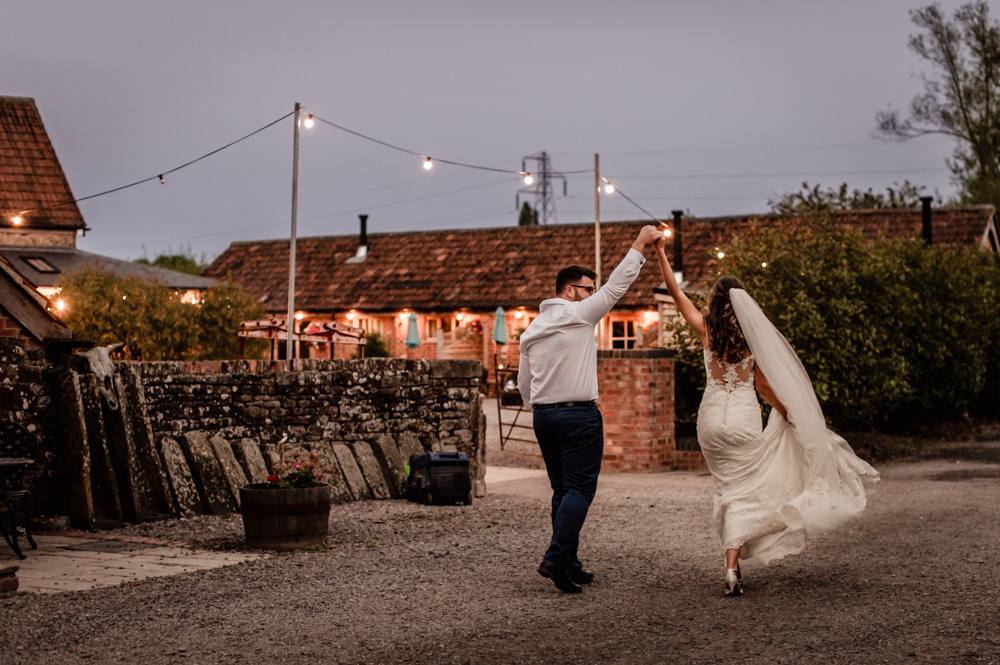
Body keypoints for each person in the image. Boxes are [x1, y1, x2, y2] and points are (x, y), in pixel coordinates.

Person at [652, 234, 879, 596]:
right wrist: (790, 413)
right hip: (742, 421)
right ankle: (730, 567)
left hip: (710, 423)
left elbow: (676, 294)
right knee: (742, 490)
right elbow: (763, 389)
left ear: (714, 301)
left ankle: (734, 565)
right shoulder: (750, 342)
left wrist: (662, 253)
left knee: (727, 487)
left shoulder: (707, 331)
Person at [518, 224, 663, 594]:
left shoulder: (531, 329)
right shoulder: (578, 314)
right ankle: (555, 558)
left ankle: (569, 563)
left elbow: (524, 382)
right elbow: (618, 286)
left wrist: (535, 408)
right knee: (580, 490)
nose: (593, 294)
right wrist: (639, 244)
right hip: (578, 415)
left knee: (561, 491)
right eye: (587, 289)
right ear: (569, 291)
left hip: (544, 417)